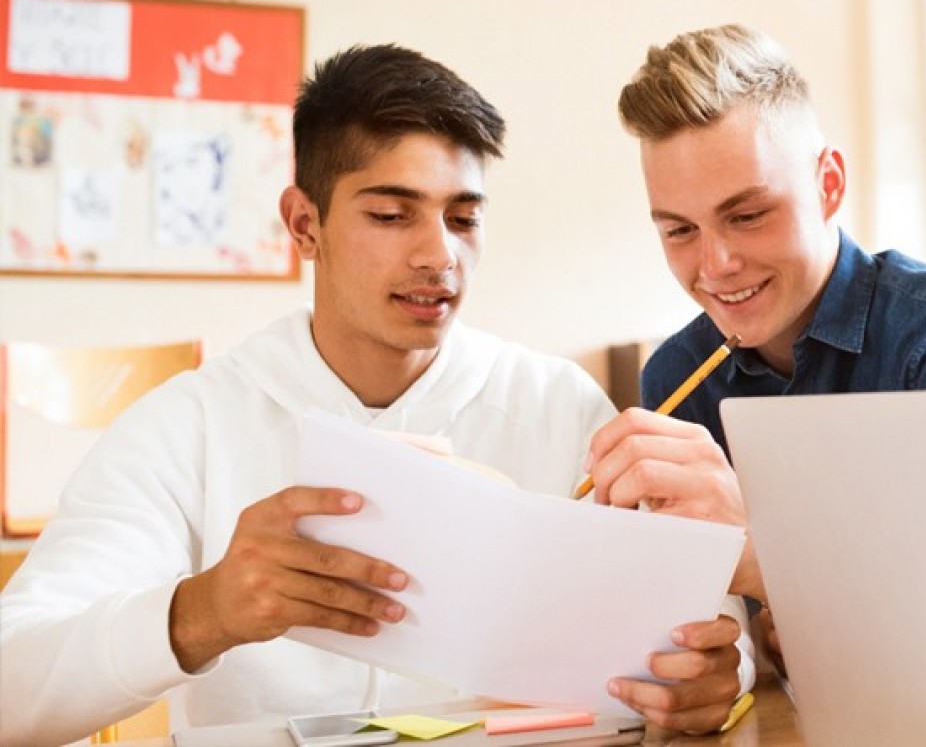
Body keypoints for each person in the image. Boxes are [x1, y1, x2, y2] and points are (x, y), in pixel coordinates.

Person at [0, 45, 750, 746]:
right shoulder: (188, 425)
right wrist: (203, 612)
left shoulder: (556, 404)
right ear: (304, 224)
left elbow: (714, 636)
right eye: (390, 216)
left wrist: (716, 673)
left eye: (464, 217)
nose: (438, 255)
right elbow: (11, 684)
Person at [578, 24, 926, 655]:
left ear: (829, 185)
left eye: (748, 215)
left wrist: (763, 556)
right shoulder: (675, 375)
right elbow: (717, 643)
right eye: (679, 231)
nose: (716, 264)